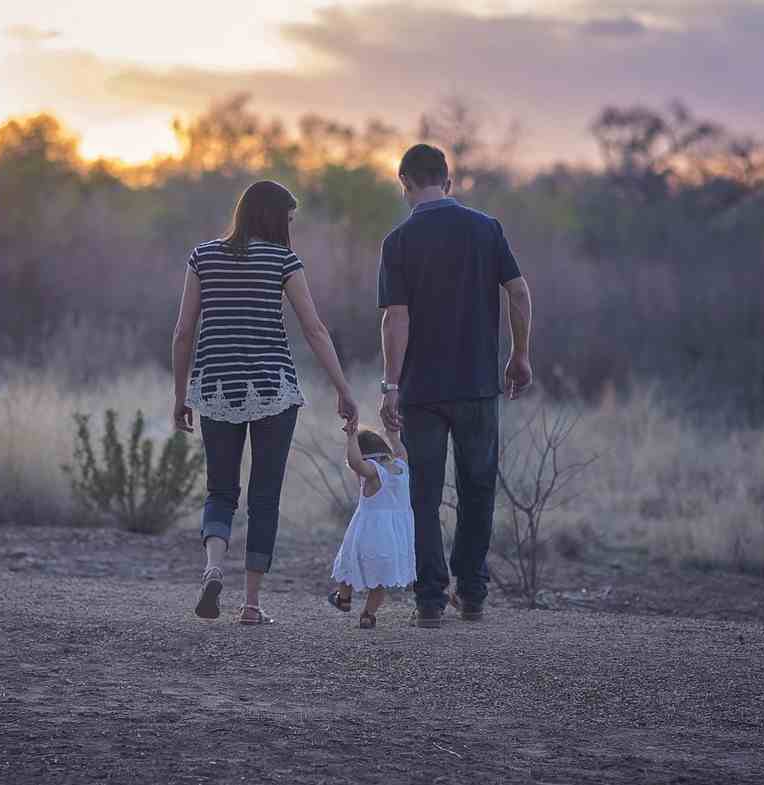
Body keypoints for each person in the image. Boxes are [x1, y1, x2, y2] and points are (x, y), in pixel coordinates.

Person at [171, 180, 358, 626]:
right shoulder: (283, 260)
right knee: (265, 496)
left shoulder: (203, 256)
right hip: (273, 388)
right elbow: (314, 330)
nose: (291, 229)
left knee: (220, 490)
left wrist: (181, 396)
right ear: (274, 218)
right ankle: (251, 604)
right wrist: (343, 388)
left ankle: (214, 567)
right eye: (289, 220)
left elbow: (182, 332)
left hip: (215, 387)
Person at [377, 144, 534, 628]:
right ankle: (472, 593)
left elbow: (395, 318)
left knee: (423, 494)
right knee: (477, 488)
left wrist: (390, 385)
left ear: (404, 182)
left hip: (422, 390)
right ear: (447, 180)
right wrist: (520, 354)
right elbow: (519, 292)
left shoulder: (398, 241)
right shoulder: (487, 229)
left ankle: (429, 600)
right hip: (477, 385)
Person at [328, 426, 415, 630]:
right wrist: (393, 435)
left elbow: (356, 463)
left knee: (348, 565)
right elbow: (401, 451)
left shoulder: (374, 473)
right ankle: (368, 615)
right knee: (380, 581)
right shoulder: (402, 466)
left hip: (368, 534)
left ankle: (344, 598)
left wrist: (351, 438)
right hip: (394, 538)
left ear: (367, 458)